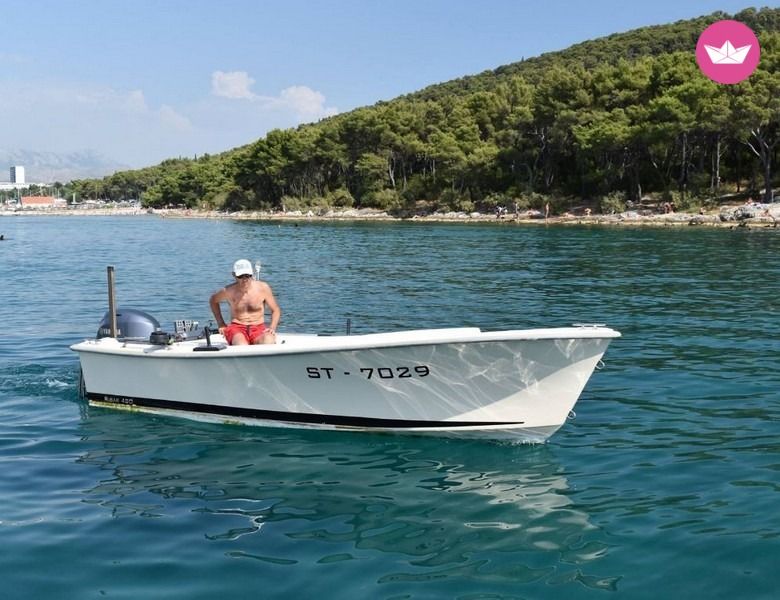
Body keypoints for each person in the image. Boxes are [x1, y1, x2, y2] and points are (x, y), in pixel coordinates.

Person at [209, 259, 281, 345]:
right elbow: (213, 300)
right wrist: (221, 323)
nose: (245, 279)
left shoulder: (263, 288)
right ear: (234, 275)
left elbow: (276, 310)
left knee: (268, 340)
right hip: (237, 328)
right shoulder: (228, 291)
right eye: (241, 276)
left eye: (247, 275)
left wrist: (272, 327)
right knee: (241, 344)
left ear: (252, 274)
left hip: (258, 327)